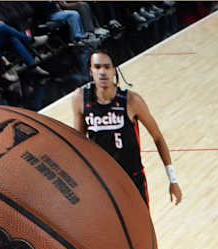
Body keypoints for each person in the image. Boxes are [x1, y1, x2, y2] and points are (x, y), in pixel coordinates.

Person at [70, 48, 182, 206]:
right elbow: (79, 144)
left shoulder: (132, 100)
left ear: (115, 70)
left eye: (107, 67)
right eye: (97, 67)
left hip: (132, 178)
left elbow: (157, 136)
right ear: (90, 71)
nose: (102, 72)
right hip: (102, 182)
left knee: (141, 229)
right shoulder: (80, 99)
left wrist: (173, 179)